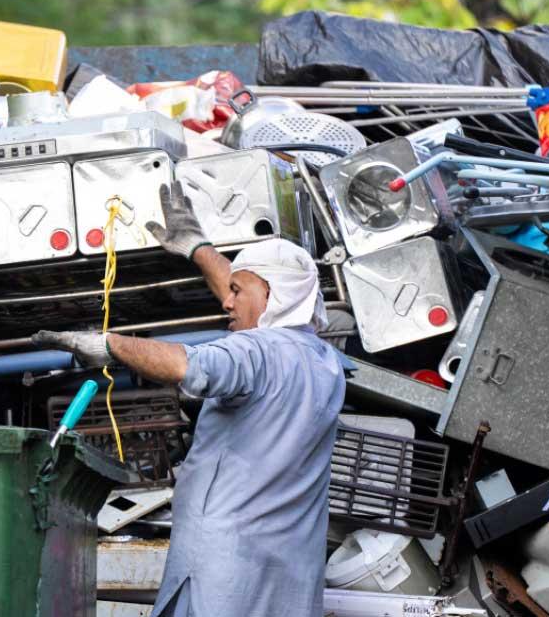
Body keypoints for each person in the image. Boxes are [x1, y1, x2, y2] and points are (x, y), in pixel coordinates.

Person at [32, 182, 346, 617]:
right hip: (289, 570)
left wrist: (108, 345)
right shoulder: (323, 360)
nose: (226, 303)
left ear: (272, 297)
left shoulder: (253, 351)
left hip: (227, 575)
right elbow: (260, 295)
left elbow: (188, 364)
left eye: (236, 293)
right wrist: (199, 248)